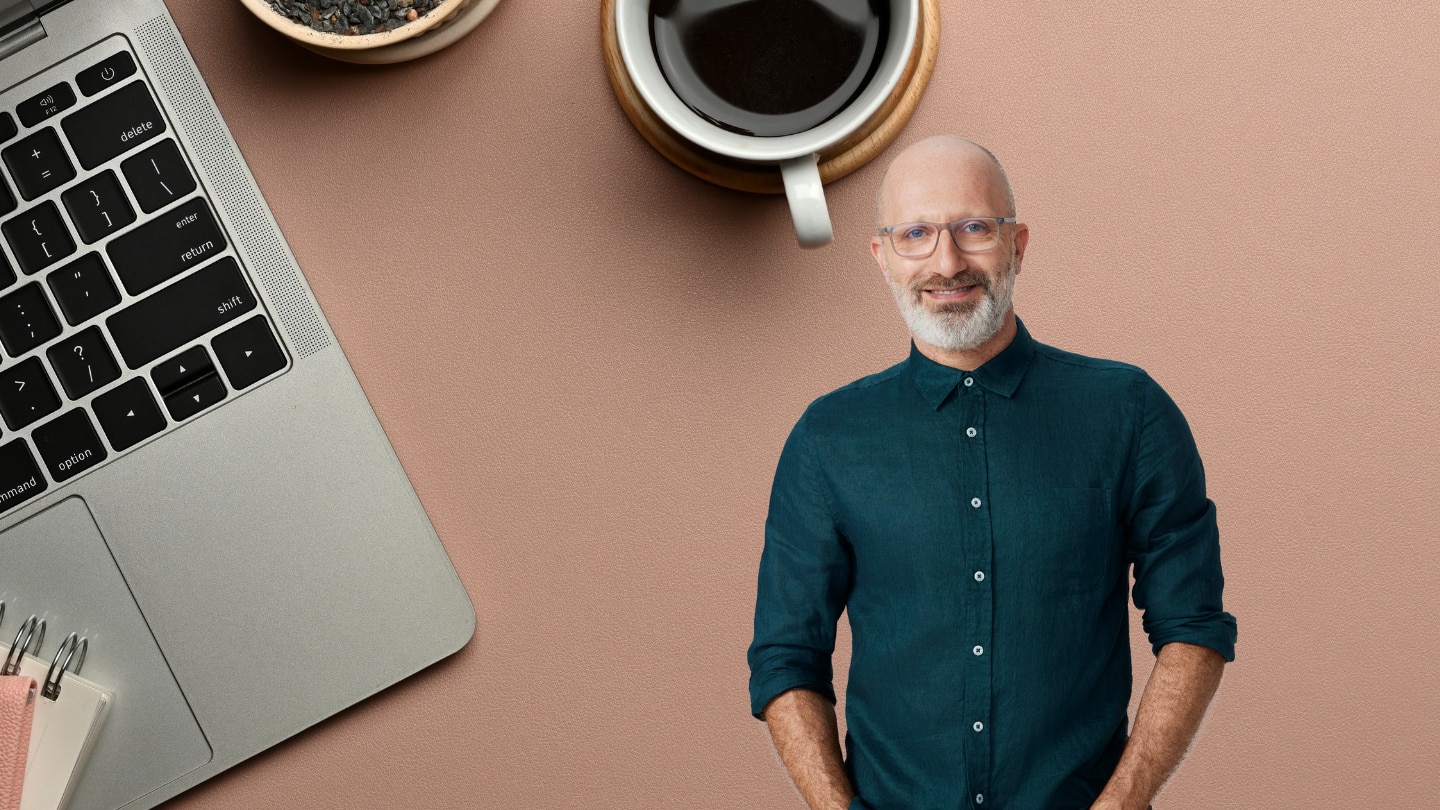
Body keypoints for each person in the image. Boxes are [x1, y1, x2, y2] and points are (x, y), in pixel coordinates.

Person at [747, 136, 1237, 810]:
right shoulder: (829, 437)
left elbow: (1193, 627)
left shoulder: (1128, 413)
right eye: (915, 234)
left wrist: (1122, 805)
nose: (947, 262)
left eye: (974, 228)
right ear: (883, 257)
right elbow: (785, 658)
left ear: (1018, 243)